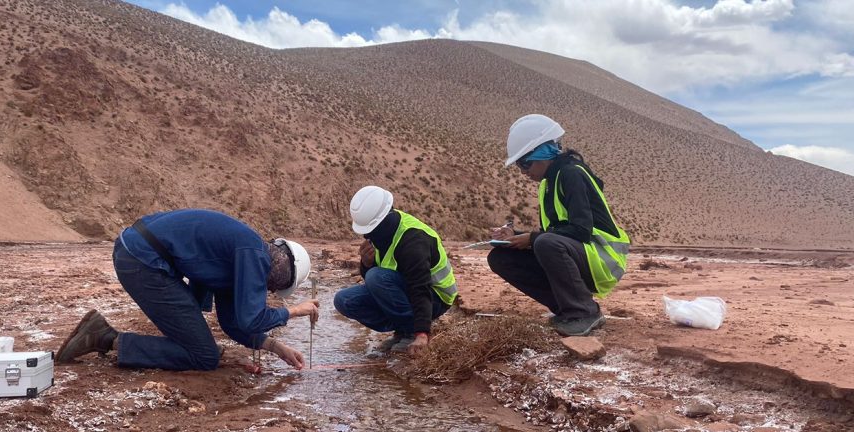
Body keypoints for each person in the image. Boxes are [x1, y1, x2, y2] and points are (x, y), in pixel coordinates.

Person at [57, 209, 317, 371]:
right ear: (283, 267)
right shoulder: (254, 253)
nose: (270, 289)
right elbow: (252, 318)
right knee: (205, 357)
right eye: (277, 286)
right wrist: (294, 311)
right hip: (143, 261)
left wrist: (275, 347)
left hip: (138, 254)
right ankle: (104, 338)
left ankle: (105, 336)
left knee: (203, 347)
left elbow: (233, 323)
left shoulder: (241, 259)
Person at [487, 114, 630, 336]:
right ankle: (566, 309)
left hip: (604, 259)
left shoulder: (571, 174)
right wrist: (515, 236)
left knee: (544, 243)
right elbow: (555, 234)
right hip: (581, 255)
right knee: (499, 258)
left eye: (525, 163)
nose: (524, 172)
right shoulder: (548, 184)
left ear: (542, 153)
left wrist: (532, 239)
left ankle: (584, 312)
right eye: (519, 166)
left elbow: (580, 231)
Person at [333, 186, 458, 356]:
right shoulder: (380, 233)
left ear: (383, 220)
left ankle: (410, 331)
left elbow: (419, 287)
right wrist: (367, 264)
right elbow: (384, 277)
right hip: (404, 290)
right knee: (344, 300)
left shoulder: (413, 240)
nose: (367, 236)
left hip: (435, 297)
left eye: (370, 230)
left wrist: (422, 333)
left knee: (375, 277)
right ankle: (402, 329)